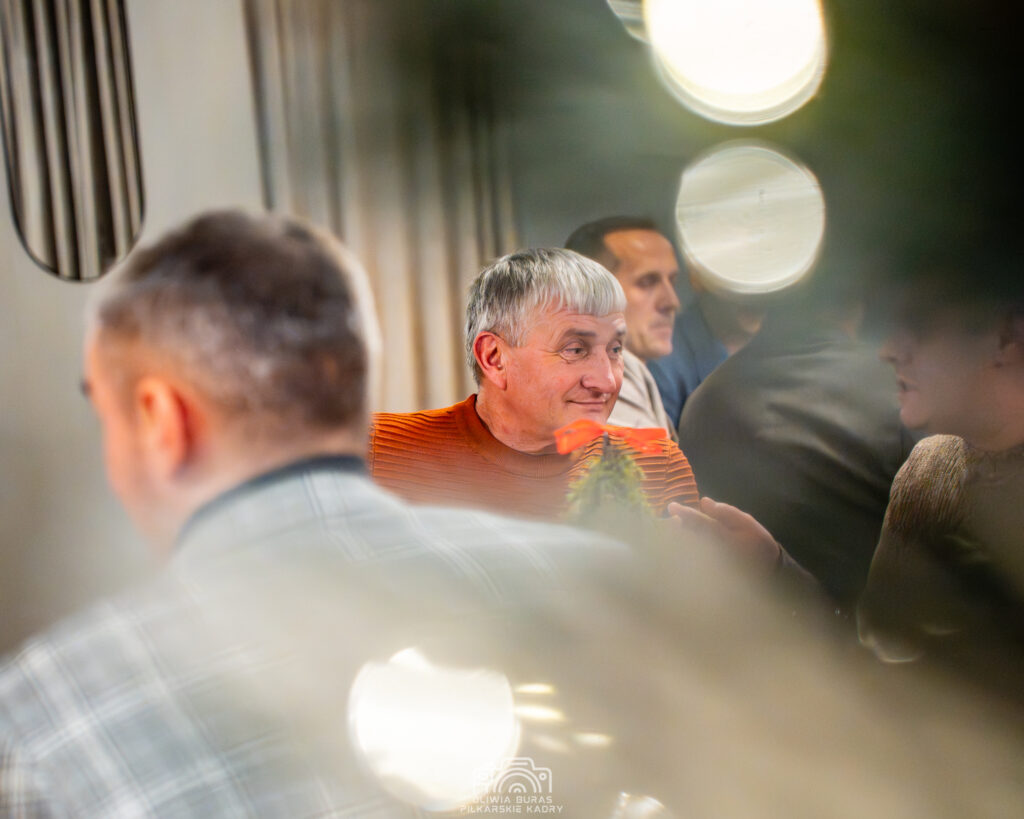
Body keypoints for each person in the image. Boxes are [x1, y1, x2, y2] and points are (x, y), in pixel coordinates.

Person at [0, 211, 634, 816]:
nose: (604, 380)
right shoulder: (605, 585)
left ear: (163, 419)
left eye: (106, 417)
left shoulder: (44, 712)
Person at [368, 247, 699, 521]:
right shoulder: (376, 451)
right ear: (494, 358)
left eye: (615, 349)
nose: (607, 381)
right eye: (575, 350)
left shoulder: (659, 466)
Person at [678, 275, 915, 608]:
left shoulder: (702, 403)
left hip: (741, 628)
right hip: (871, 631)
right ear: (859, 295)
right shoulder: (905, 392)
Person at [857, 273, 1024, 700]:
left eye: (917, 323)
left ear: (1006, 335)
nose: (888, 350)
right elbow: (879, 662)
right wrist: (773, 566)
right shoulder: (928, 469)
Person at [564, 217, 678, 437]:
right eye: (647, 282)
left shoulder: (632, 375)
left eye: (672, 281)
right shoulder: (599, 380)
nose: (672, 302)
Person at [647, 273, 765, 429]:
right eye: (739, 276)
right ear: (699, 280)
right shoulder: (664, 364)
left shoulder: (780, 343)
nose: (756, 293)